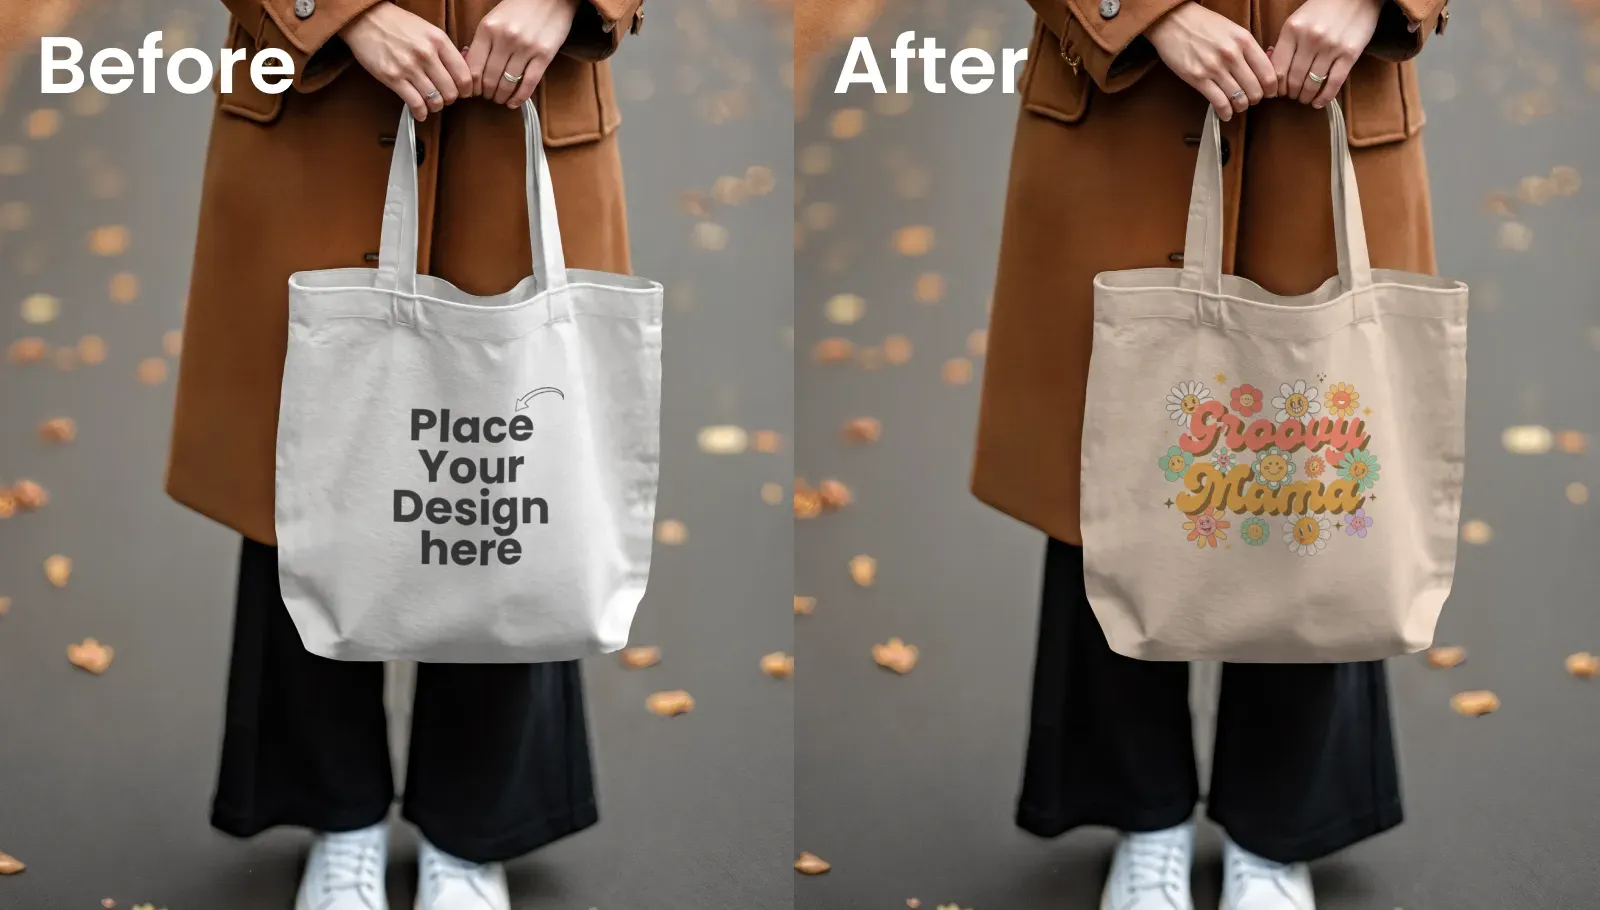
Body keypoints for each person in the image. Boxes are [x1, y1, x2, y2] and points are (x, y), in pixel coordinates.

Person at [165, 1, 645, 908]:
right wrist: (338, 12)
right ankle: (335, 816)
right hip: (317, 92)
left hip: (525, 98)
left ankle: (473, 830)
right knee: (307, 474)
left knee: (502, 485)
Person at [970, 1, 1448, 908]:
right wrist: (1145, 12)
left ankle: (1278, 831)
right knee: (1110, 476)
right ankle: (1141, 816)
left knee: (1313, 478)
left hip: (1331, 96)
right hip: (1122, 96)